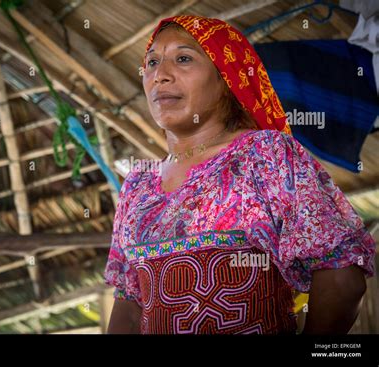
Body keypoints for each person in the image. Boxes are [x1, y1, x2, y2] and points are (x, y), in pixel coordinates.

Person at [104, 15, 375, 334]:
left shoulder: (265, 156)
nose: (160, 75)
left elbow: (341, 276)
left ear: (226, 78)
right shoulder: (138, 187)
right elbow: (129, 306)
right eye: (151, 63)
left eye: (184, 58)